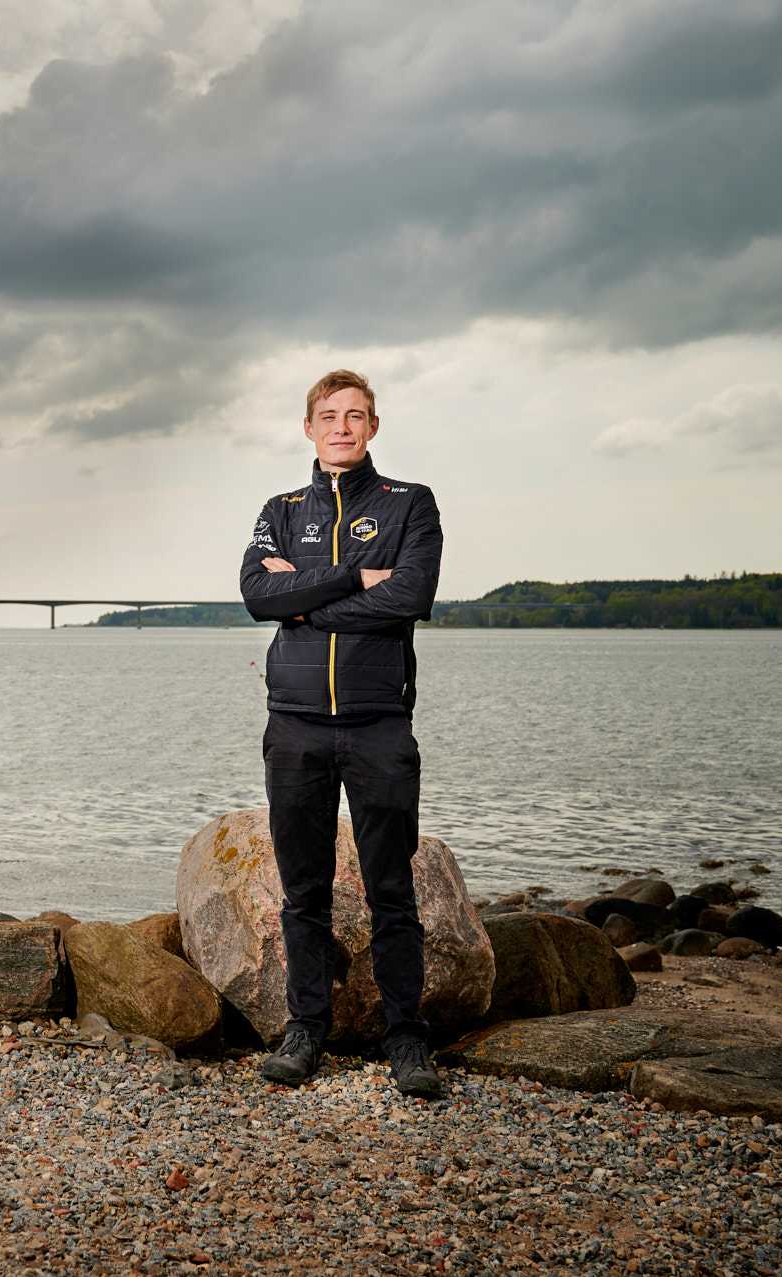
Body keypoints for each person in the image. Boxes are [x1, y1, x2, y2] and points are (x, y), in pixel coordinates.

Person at [237, 368, 447, 1101]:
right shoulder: (280, 508)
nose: (342, 427)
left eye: (356, 415)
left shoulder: (409, 504)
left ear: (373, 427)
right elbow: (257, 595)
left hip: (379, 726)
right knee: (304, 892)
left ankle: (406, 1036)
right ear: (308, 427)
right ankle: (306, 1028)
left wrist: (309, 597)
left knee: (393, 888)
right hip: (294, 727)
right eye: (329, 415)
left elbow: (412, 594)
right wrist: (358, 579)